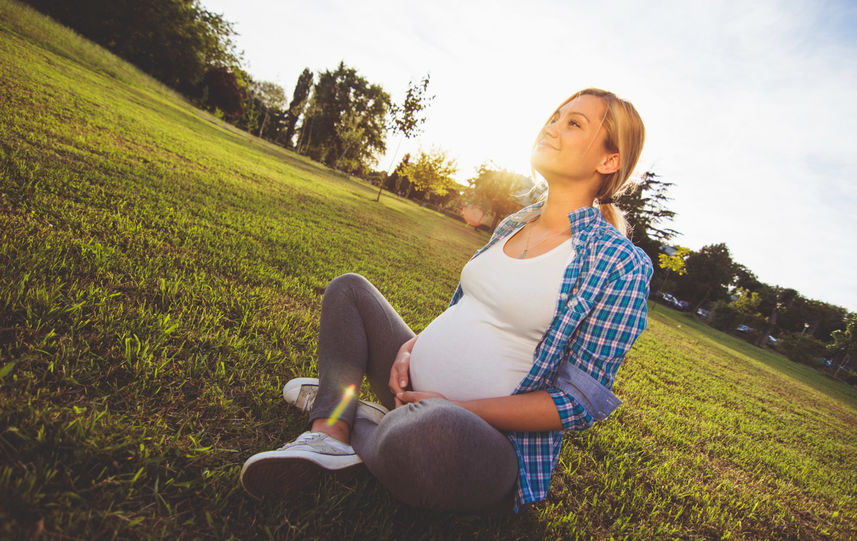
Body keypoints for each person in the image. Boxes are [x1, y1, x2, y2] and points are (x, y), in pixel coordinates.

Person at [240, 88, 654, 513]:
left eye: (574, 123)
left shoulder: (620, 263)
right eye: (555, 116)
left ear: (609, 161)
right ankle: (329, 434)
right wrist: (411, 347)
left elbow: (576, 402)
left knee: (428, 437)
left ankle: (357, 416)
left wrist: (454, 406)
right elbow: (469, 312)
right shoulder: (514, 223)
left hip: (478, 439)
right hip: (412, 388)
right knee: (349, 289)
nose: (552, 126)